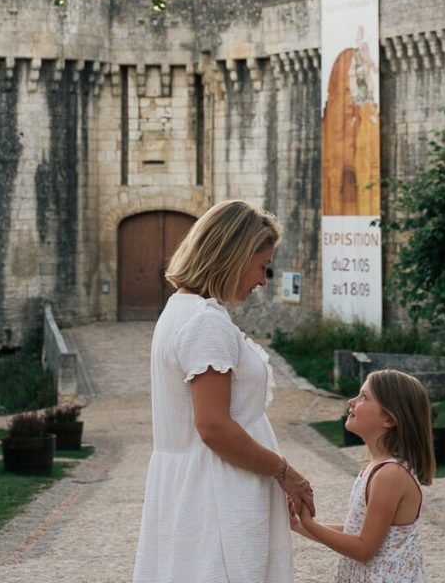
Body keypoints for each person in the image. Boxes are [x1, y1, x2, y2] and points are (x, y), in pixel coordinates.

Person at [133, 199, 314, 583]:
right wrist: (286, 473)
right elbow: (214, 428)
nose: (263, 280)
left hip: (201, 487)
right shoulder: (205, 323)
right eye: (262, 266)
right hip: (217, 492)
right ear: (233, 255)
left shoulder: (180, 311)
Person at [290, 369, 434, 582]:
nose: (351, 401)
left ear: (389, 418)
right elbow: (353, 532)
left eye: (364, 397)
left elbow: (364, 549)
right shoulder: (375, 468)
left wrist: (309, 524)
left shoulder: (390, 475)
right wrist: (297, 524)